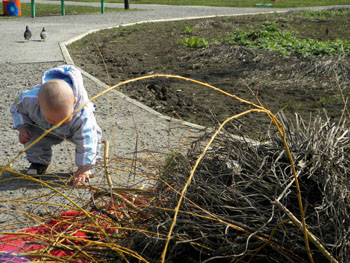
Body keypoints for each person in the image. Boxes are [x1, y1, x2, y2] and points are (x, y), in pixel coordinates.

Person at [10, 65, 102, 186]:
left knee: (92, 138)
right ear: (39, 103)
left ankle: (86, 168)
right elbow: (17, 109)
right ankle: (39, 162)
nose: (57, 124)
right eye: (52, 119)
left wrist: (84, 167)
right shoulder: (29, 100)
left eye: (63, 119)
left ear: (74, 102)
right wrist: (22, 127)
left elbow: (87, 141)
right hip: (43, 127)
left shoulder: (82, 115)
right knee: (32, 135)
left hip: (73, 129)